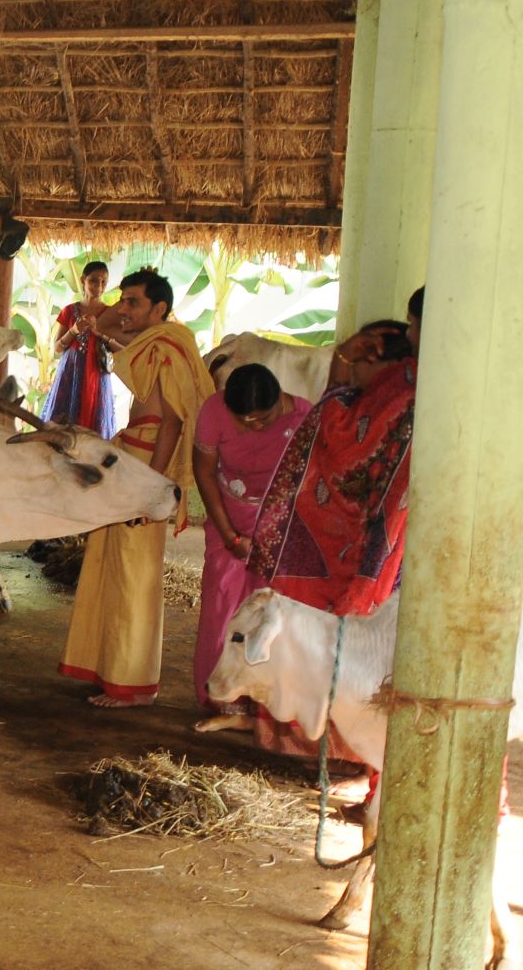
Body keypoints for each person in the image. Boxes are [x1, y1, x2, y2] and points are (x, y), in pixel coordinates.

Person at [242, 318, 416, 764]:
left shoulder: (396, 394)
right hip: (382, 551)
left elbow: (339, 433)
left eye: (355, 365)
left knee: (360, 653)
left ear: (375, 357)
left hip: (365, 555)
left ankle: (359, 758)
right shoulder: (408, 385)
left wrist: (341, 365)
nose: (350, 376)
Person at [59, 269, 215, 709]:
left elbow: (173, 421)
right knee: (108, 562)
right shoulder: (151, 340)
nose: (122, 309)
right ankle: (109, 671)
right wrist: (120, 311)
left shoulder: (168, 345)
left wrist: (155, 486)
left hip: (147, 463)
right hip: (130, 456)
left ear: (160, 308)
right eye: (122, 300)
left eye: (133, 302)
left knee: (135, 572)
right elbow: (102, 325)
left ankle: (135, 684)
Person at [190, 365, 311, 731]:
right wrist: (230, 536)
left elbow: (304, 484)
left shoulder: (304, 417)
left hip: (282, 525)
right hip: (228, 515)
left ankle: (264, 703)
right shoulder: (213, 410)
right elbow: (205, 471)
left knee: (271, 611)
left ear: (281, 403)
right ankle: (222, 695)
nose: (255, 426)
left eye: (264, 419)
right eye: (245, 420)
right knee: (222, 603)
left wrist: (270, 538)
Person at [45, 260, 118, 436]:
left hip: (96, 373)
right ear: (83, 280)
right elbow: (57, 348)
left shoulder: (111, 314)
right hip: (69, 373)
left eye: (103, 282)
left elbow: (118, 349)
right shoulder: (69, 311)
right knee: (62, 427)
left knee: (93, 424)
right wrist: (73, 330)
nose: (99, 286)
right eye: (94, 280)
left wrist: (99, 333)